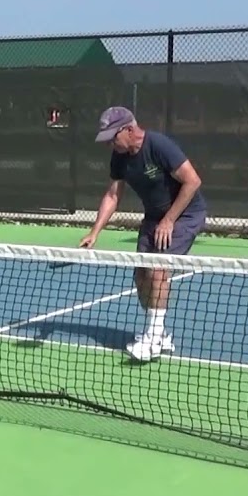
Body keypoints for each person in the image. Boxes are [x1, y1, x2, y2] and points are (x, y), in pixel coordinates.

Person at [78, 106, 205, 362]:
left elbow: (193, 181)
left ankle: (154, 338)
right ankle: (160, 333)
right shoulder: (120, 156)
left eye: (112, 137)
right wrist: (95, 232)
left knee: (158, 270)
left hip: (184, 215)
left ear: (128, 129)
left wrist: (169, 220)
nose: (109, 144)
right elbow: (113, 195)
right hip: (153, 218)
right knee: (141, 277)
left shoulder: (159, 145)